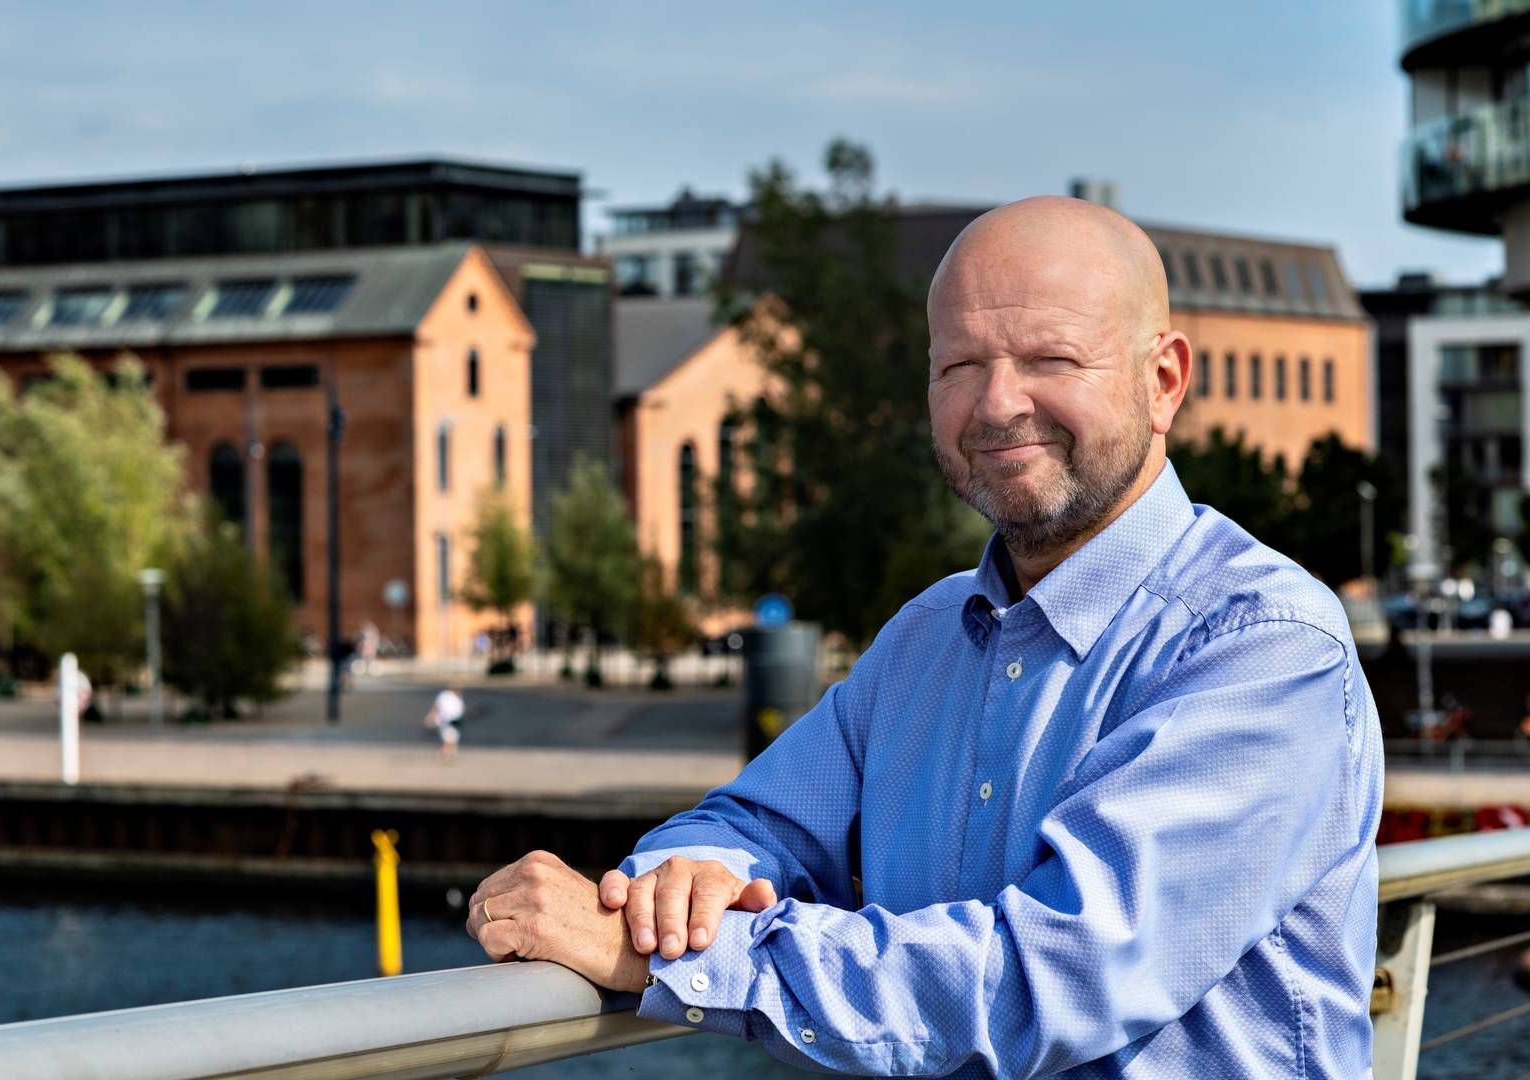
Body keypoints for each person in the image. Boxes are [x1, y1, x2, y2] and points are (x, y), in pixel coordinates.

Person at [463, 197, 1383, 1076]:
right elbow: (753, 824)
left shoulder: (1262, 646)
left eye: (1051, 359)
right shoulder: (928, 637)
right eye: (959, 366)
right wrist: (670, 892)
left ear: (1164, 380)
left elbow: (1045, 982)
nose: (995, 404)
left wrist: (664, 963)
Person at [424, 681, 464, 764]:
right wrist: (431, 716)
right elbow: (436, 706)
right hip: (446, 720)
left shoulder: (457, 698)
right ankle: (443, 755)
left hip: (455, 720)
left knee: (452, 739)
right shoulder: (445, 696)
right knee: (449, 740)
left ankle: (447, 755)